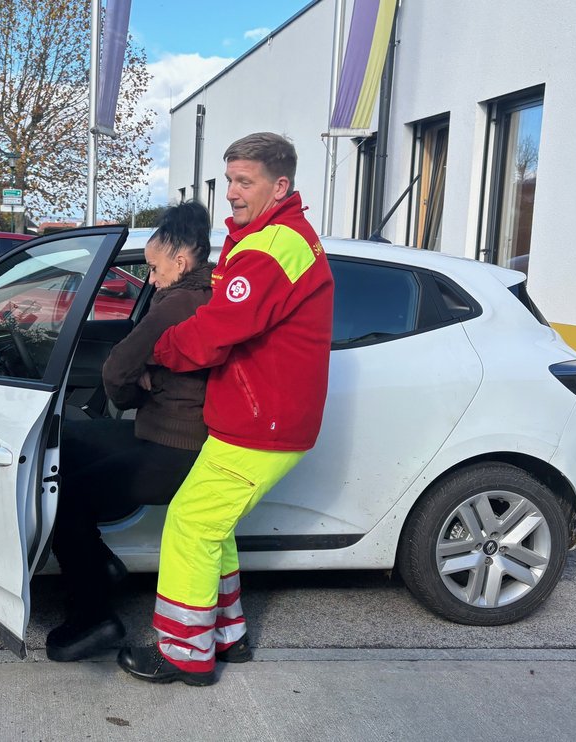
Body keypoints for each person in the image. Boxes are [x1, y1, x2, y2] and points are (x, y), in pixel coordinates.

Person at [117, 132, 335, 686]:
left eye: (244, 181)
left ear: (279, 186)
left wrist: (158, 352)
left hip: (262, 422)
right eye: (230, 180)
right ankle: (226, 634)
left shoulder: (271, 247)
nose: (233, 192)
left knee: (190, 523)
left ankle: (185, 653)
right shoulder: (265, 239)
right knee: (213, 527)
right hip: (257, 416)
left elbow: (215, 331)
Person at [47, 201, 214, 662]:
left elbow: (117, 369)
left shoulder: (179, 303)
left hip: (173, 447)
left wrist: (136, 391)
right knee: (69, 446)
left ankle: (94, 618)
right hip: (161, 431)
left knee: (64, 498)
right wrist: (146, 384)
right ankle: (98, 564)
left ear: (181, 262)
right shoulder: (202, 294)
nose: (151, 279)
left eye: (155, 270)